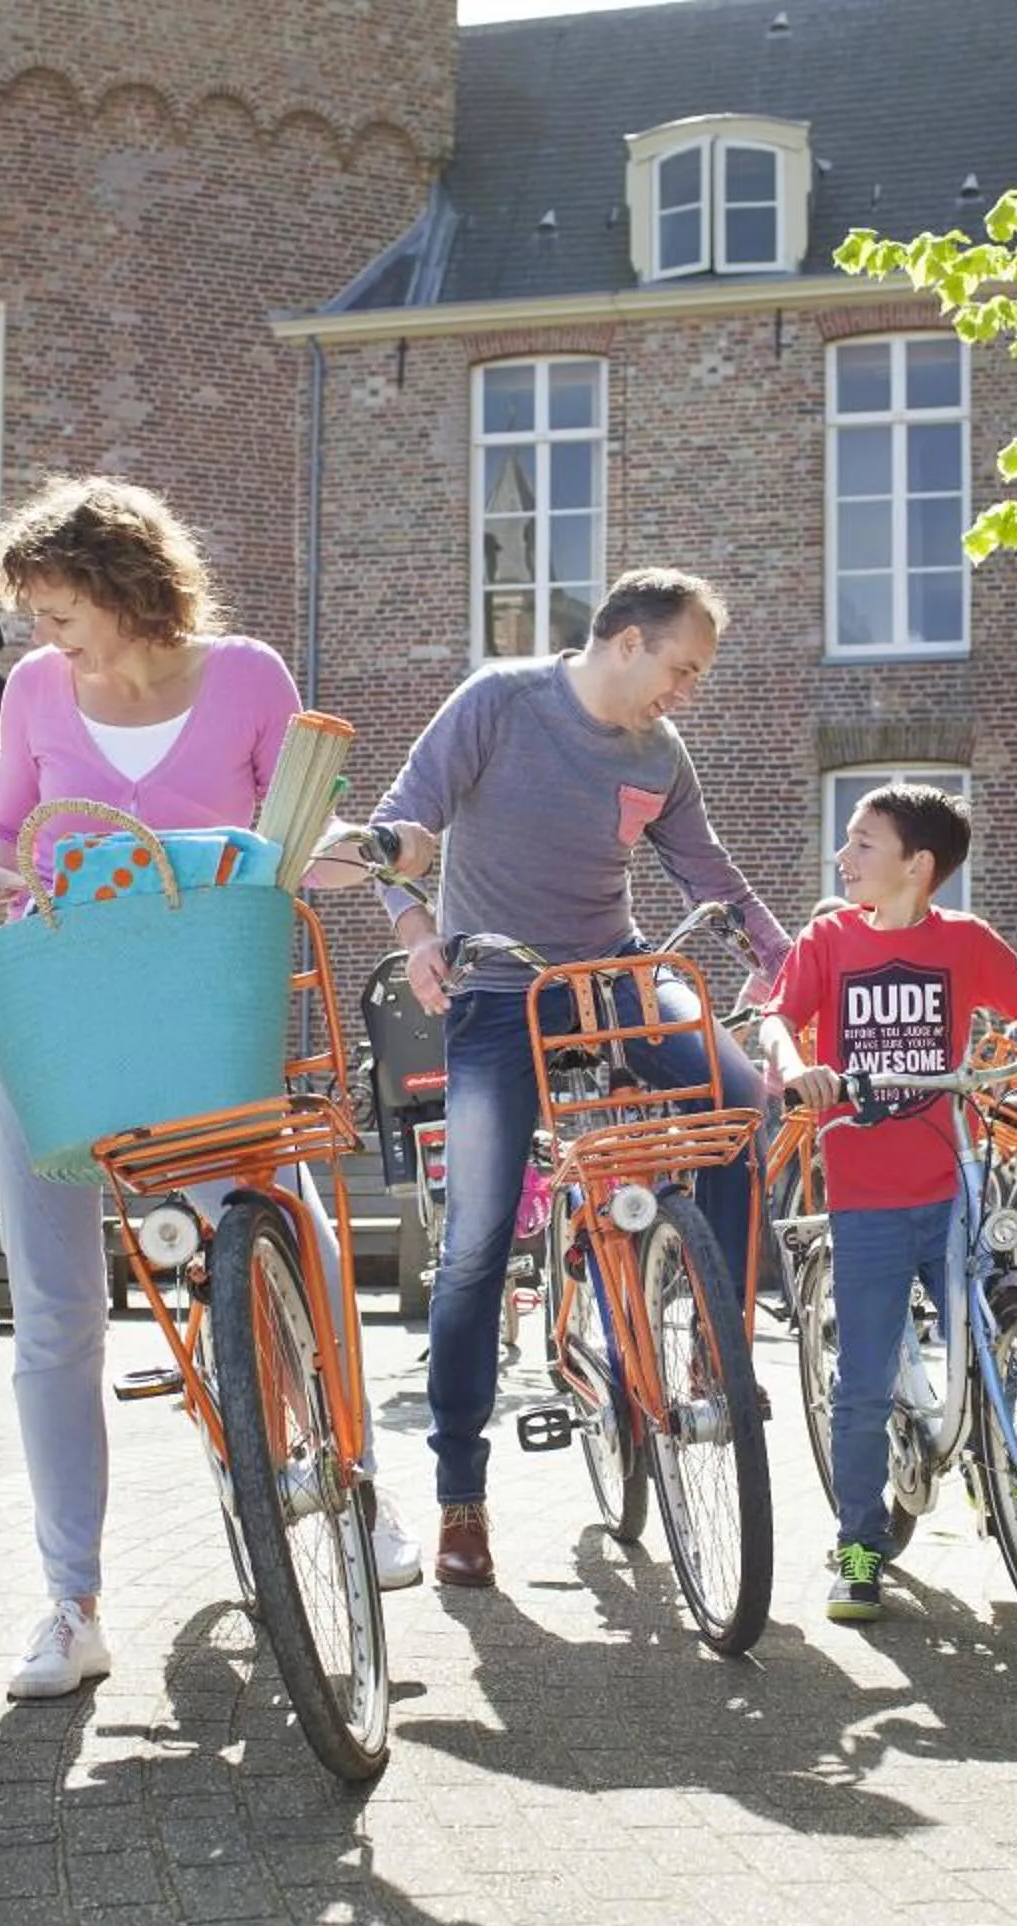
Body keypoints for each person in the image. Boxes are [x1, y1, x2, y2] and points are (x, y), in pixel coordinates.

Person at [0, 476, 420, 1701]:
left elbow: (297, 838)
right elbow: (4, 827)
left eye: (60, 610)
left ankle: (352, 1475)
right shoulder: (35, 691)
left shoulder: (249, 678)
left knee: (288, 1226)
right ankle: (71, 1602)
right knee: (54, 1312)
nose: (46, 637)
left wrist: (378, 866)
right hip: (49, 1007)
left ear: (122, 586)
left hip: (194, 1009)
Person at [368, 568, 793, 1588]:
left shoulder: (659, 751)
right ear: (628, 642)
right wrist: (418, 930)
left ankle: (707, 1346)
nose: (685, 691)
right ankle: (461, 1500)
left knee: (741, 1104)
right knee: (472, 1243)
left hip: (615, 972)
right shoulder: (500, 700)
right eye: (682, 669)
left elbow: (708, 872)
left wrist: (781, 956)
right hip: (499, 987)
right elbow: (402, 826)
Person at [761, 782, 1017, 1624]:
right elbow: (775, 1020)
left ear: (918, 864)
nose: (844, 859)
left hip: (951, 1178)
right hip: (866, 1193)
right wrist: (799, 1067)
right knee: (865, 1382)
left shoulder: (964, 942)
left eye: (863, 845)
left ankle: (1000, 1472)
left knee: (990, 1331)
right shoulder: (828, 940)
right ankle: (860, 1544)